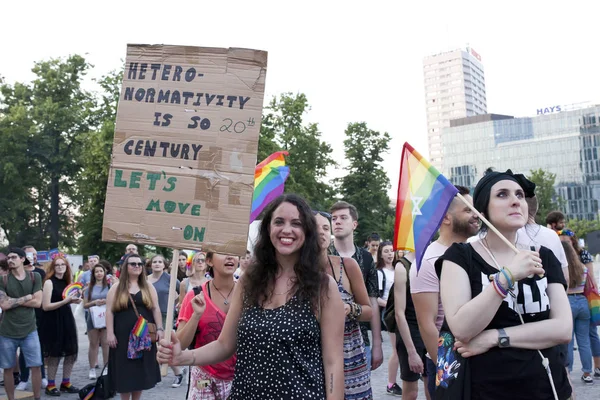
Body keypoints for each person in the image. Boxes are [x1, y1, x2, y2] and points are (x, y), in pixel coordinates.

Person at [158, 194, 345, 399]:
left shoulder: (324, 287)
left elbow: (333, 362)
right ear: (268, 229)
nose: (287, 230)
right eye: (279, 222)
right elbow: (224, 345)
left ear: (307, 232)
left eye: (296, 223)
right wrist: (182, 356)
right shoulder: (249, 282)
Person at [436, 169, 572, 399]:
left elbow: (562, 328)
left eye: (519, 195)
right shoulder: (460, 257)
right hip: (485, 389)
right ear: (482, 211)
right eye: (502, 195)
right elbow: (462, 328)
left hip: (547, 386)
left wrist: (494, 337)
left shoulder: (543, 256)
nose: (515, 201)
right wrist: (506, 277)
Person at [409, 185, 479, 399]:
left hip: (482, 357)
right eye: (468, 210)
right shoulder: (428, 262)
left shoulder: (478, 252)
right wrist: (447, 376)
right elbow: (428, 325)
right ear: (446, 218)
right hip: (451, 362)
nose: (476, 214)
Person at [315, 210, 373, 399]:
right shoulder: (296, 272)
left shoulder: (346, 265)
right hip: (311, 355)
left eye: (325, 227)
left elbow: (368, 311)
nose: (321, 232)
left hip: (349, 355)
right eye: (315, 228)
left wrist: (350, 309)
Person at [329, 201, 384, 376]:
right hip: (327, 337)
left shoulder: (366, 258)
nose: (337, 222)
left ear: (354, 224)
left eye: (343, 218)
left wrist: (377, 344)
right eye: (334, 218)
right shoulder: (322, 255)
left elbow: (373, 301)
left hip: (360, 338)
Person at [176, 252, 238, 399]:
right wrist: (196, 316)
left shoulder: (250, 295)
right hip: (203, 377)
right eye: (223, 253)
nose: (230, 257)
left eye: (235, 253)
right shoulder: (195, 296)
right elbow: (180, 344)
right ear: (209, 261)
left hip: (238, 377)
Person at [106, 253, 162, 400]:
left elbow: (155, 308)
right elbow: (109, 312)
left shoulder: (148, 286)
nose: (137, 266)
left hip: (143, 337)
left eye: (140, 264)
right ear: (126, 267)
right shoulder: (116, 288)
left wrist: (160, 329)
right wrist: (110, 333)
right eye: (133, 264)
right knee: (125, 371)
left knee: (140, 372)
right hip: (122, 337)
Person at [0, 248, 43, 400]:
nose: (10, 260)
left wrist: (14, 301)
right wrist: (27, 297)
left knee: (36, 366)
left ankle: (37, 397)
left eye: (14, 257)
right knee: (8, 368)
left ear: (22, 259)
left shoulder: (34, 277)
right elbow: (4, 305)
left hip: (30, 330)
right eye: (8, 258)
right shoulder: (3, 279)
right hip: (7, 331)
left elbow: (38, 302)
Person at [560, 230, 600, 378]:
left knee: (568, 341)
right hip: (583, 302)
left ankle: (568, 372)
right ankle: (588, 372)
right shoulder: (583, 268)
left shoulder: (561, 268)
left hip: (568, 302)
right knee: (584, 341)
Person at [40, 255, 80, 396]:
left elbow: (67, 300)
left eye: (63, 265)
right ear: (53, 267)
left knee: (71, 352)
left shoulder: (67, 282)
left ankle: (66, 383)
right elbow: (45, 306)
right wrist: (66, 301)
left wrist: (73, 301)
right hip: (52, 321)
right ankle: (50, 385)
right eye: (57, 265)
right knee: (54, 354)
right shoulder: (49, 283)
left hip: (66, 319)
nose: (60, 267)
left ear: (67, 267)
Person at [394, 251, 430, 400]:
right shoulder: (402, 267)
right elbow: (399, 314)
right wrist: (411, 352)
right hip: (410, 332)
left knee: (433, 389)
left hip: (431, 331)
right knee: (411, 392)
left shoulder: (434, 258)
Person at [147, 254, 184, 387]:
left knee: (164, 345)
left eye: (159, 262)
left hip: (165, 316)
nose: (157, 264)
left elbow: (183, 293)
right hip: (148, 315)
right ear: (151, 265)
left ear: (164, 265)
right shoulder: (146, 280)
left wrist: (174, 303)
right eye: (154, 262)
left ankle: (178, 373)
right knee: (150, 346)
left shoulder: (170, 278)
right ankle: (151, 375)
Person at [17, 245, 48, 391]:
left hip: (40, 315)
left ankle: (42, 376)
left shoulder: (41, 272)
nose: (34, 257)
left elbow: (41, 296)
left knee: (39, 346)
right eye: (31, 254)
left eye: (35, 254)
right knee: (24, 348)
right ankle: (24, 378)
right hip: (22, 315)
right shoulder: (17, 273)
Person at [375, 241, 402, 395]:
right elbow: (376, 298)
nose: (390, 254)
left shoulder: (400, 268)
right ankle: (391, 383)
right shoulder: (380, 272)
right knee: (397, 349)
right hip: (391, 312)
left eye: (392, 250)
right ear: (381, 254)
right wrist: (390, 304)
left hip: (403, 311)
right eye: (386, 251)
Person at [83, 264, 110, 380]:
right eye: (96, 271)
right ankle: (92, 368)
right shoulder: (89, 288)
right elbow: (85, 304)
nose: (99, 273)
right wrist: (95, 302)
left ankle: (106, 367)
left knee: (106, 343)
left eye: (101, 271)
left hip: (106, 317)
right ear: (93, 274)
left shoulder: (110, 286)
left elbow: (115, 300)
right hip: (93, 318)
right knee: (93, 343)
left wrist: (106, 301)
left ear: (104, 273)